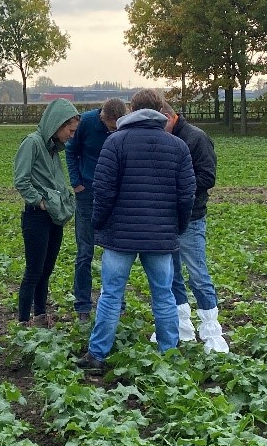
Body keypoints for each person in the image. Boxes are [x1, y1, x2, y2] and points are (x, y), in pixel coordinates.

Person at [78, 88, 194, 373]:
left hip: (119, 236)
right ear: (160, 109)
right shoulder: (177, 146)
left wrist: (99, 223)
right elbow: (186, 194)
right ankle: (169, 354)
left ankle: (97, 355)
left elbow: (103, 191)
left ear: (131, 108)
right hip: (160, 235)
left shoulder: (115, 143)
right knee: (164, 295)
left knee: (111, 294)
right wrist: (176, 227)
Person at [160, 102, 230, 352]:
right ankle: (182, 326)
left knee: (198, 274)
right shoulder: (165, 139)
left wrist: (178, 188)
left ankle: (212, 331)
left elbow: (207, 177)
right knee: (173, 274)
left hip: (191, 217)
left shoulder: (197, 139)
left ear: (169, 116)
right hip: (169, 218)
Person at [13, 99, 81, 325]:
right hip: (37, 217)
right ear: (58, 125)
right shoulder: (32, 143)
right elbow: (21, 180)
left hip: (54, 217)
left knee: (47, 270)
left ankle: (40, 316)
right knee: (34, 271)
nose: (71, 135)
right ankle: (23, 322)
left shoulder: (53, 148)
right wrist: (39, 202)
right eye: (70, 130)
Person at [65, 98, 127, 321]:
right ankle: (83, 306)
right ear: (102, 118)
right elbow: (71, 151)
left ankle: (117, 304)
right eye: (111, 127)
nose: (114, 132)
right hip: (87, 193)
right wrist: (76, 183)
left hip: (115, 195)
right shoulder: (86, 123)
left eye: (117, 128)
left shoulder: (125, 125)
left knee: (115, 251)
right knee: (84, 252)